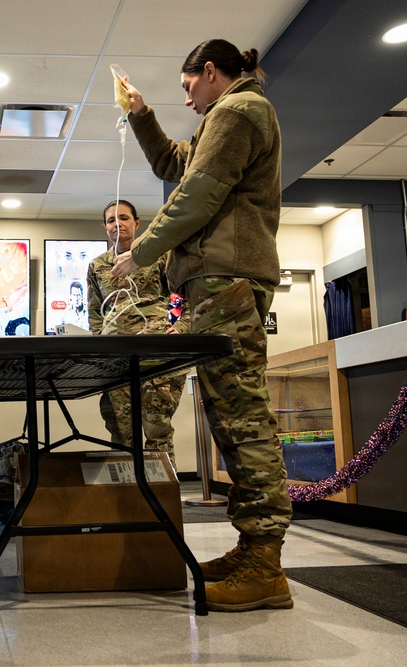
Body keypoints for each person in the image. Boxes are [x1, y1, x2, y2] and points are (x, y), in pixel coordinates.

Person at [112, 39, 292, 612]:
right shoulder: (224, 115)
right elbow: (174, 164)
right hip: (216, 282)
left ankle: (266, 562)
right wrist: (141, 115)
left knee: (241, 414)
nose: (186, 99)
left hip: (228, 279)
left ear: (211, 72)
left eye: (188, 87)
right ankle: (252, 549)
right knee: (227, 410)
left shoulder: (239, 112)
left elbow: (196, 195)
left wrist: (139, 252)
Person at [87, 200, 189, 465]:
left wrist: (181, 328)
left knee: (158, 430)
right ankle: (127, 500)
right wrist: (100, 353)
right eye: (111, 220)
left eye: (123, 218)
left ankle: (162, 499)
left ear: (136, 223)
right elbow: (95, 313)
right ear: (104, 227)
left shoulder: (160, 257)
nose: (117, 224)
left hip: (156, 355)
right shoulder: (98, 266)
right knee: (120, 434)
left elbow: (189, 298)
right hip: (116, 361)